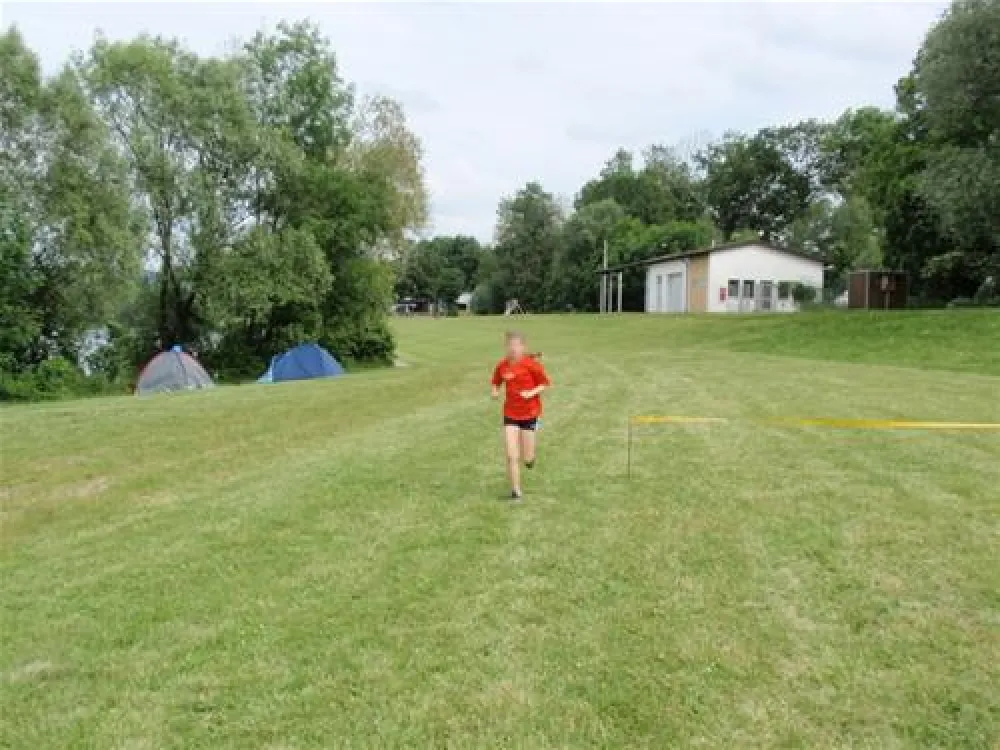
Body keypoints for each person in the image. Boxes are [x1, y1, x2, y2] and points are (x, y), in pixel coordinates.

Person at [491, 331, 551, 501]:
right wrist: (494, 392)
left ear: (523, 347)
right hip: (510, 414)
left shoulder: (531, 364)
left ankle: (530, 459)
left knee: (527, 457)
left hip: (530, 413)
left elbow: (545, 384)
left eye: (516, 346)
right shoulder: (502, 365)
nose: (512, 349)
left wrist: (531, 392)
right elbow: (496, 381)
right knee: (511, 455)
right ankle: (516, 491)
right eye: (509, 346)